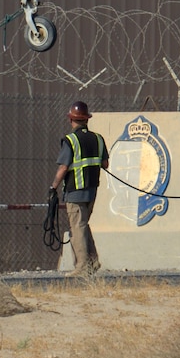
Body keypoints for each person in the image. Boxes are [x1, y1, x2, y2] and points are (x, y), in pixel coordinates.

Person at [50, 101, 107, 274]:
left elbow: (63, 167)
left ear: (71, 120)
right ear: (86, 120)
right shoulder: (98, 138)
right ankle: (92, 261)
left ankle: (82, 267)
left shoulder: (70, 140)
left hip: (75, 190)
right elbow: (105, 164)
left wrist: (53, 187)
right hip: (92, 190)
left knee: (77, 226)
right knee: (82, 224)